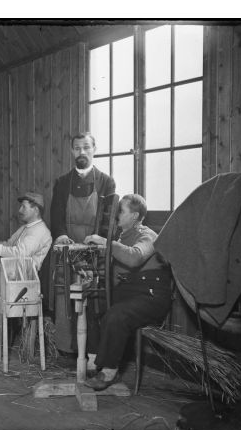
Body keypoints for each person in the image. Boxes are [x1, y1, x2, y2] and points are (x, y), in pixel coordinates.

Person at [83, 194, 172, 391]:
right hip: (129, 291)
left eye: (120, 211)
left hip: (150, 295)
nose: (116, 215)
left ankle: (109, 371)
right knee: (92, 299)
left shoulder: (147, 235)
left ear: (134, 215)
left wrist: (106, 243)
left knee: (117, 315)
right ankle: (94, 359)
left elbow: (134, 258)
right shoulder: (121, 236)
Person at [50, 132, 116, 357]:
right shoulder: (61, 182)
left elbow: (108, 220)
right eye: (77, 148)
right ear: (72, 151)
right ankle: (67, 351)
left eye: (86, 147)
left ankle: (93, 354)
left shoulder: (106, 182)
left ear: (94, 149)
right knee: (64, 295)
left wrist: (98, 239)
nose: (82, 152)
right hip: (68, 250)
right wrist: (60, 235)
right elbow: (56, 216)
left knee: (93, 298)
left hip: (94, 251)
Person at [0, 192, 52, 340]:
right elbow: (8, 244)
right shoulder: (26, 228)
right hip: (15, 274)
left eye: (24, 207)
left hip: (26, 280)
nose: (20, 210)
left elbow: (20, 254)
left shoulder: (39, 230)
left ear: (36, 210)